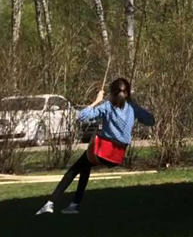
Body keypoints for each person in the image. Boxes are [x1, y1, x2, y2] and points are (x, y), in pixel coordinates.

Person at [36, 78, 154, 215]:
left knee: (73, 170)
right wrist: (136, 106)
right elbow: (151, 121)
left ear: (112, 93)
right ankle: (74, 205)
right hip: (117, 156)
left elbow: (81, 117)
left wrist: (97, 100)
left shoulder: (107, 106)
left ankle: (50, 203)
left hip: (101, 152)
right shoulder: (133, 109)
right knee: (85, 167)